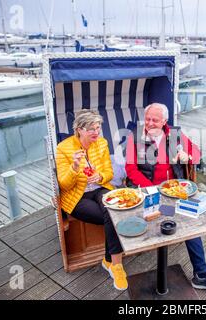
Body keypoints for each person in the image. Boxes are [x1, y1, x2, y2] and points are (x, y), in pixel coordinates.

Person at [125, 102, 206, 292]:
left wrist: (186, 155)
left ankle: (201, 275)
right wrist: (152, 189)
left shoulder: (175, 134)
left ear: (164, 121)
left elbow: (196, 154)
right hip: (150, 193)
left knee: (190, 216)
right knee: (166, 214)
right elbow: (130, 169)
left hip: (174, 191)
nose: (150, 123)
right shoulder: (135, 137)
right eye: (147, 119)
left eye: (155, 120)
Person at [55, 110, 127, 291]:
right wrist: (74, 167)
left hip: (99, 189)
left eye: (98, 128)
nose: (96, 132)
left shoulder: (101, 144)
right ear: (79, 129)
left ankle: (113, 262)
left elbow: (109, 173)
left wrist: (100, 176)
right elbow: (63, 185)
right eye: (91, 129)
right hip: (76, 197)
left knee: (113, 210)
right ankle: (112, 262)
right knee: (112, 215)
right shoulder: (63, 148)